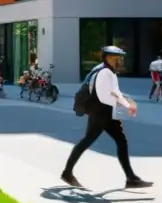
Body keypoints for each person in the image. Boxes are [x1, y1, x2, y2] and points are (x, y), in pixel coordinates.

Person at [61, 46, 153, 190]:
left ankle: (131, 178)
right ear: (108, 58)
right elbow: (105, 96)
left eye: (120, 58)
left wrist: (126, 104)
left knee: (121, 141)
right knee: (87, 141)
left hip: (106, 113)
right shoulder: (104, 73)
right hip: (101, 113)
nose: (120, 61)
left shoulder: (109, 72)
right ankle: (67, 173)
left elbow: (115, 92)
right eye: (117, 58)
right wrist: (125, 105)